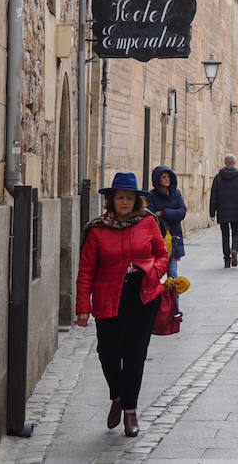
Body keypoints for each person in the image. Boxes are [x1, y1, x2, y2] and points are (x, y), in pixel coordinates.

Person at [75, 172, 169, 438]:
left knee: (135, 353)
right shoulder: (97, 229)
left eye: (129, 198)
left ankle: (130, 410)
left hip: (142, 296)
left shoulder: (148, 222)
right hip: (108, 296)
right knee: (107, 352)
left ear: (136, 200)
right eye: (120, 198)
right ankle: (117, 395)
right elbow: (86, 270)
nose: (125, 202)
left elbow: (162, 254)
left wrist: (153, 270)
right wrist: (83, 305)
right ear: (111, 200)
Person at [147, 165, 186, 287]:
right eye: (163, 177)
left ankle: (175, 304)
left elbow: (182, 212)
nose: (167, 179)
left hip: (174, 237)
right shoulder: (151, 196)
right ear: (157, 179)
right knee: (155, 273)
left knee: (173, 273)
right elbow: (152, 215)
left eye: (168, 177)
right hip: (158, 238)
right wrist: (170, 215)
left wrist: (164, 212)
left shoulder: (176, 194)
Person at [209, 153, 238, 267]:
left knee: (225, 235)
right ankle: (234, 249)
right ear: (234, 163)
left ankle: (227, 260)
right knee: (236, 233)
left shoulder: (218, 177)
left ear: (225, 163)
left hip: (222, 211)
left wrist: (212, 212)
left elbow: (213, 195)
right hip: (237, 211)